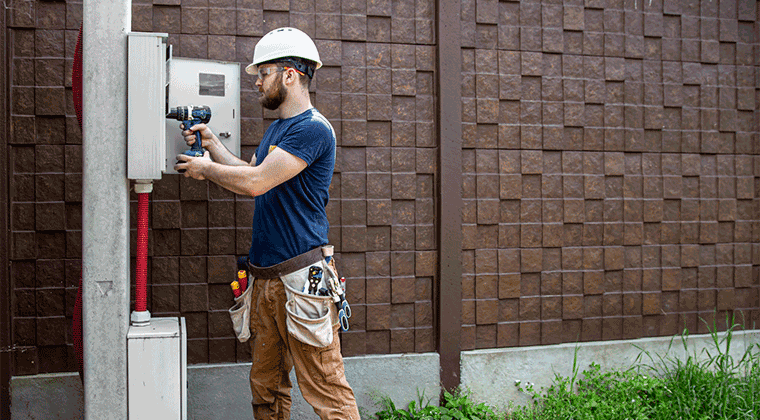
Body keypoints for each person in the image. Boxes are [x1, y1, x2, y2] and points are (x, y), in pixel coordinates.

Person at [174, 27, 361, 420]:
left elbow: (257, 183)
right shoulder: (279, 129)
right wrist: (212, 145)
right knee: (267, 388)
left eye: (264, 72)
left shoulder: (312, 129)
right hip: (266, 280)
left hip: (301, 280)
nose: (257, 81)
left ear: (290, 74)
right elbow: (254, 171)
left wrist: (206, 170)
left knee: (327, 390)